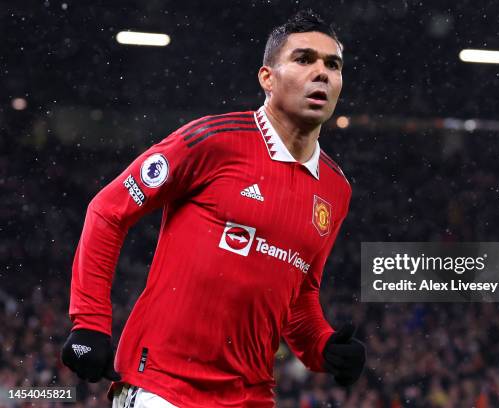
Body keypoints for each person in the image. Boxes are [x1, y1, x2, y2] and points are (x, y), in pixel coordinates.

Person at [60, 9, 366, 407]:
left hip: (251, 395)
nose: (322, 72)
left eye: (333, 64)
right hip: (163, 386)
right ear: (267, 79)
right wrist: (90, 324)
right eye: (304, 59)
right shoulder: (214, 141)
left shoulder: (336, 190)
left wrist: (324, 347)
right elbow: (107, 211)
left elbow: (299, 294)